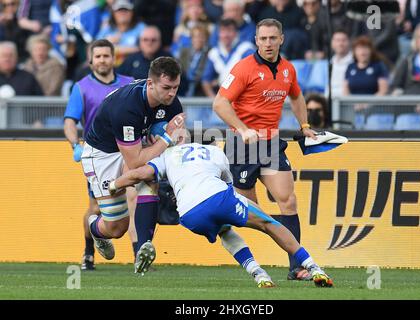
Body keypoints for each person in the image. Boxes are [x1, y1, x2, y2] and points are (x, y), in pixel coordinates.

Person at [107, 138, 333, 288]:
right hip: (217, 197)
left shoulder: (166, 156)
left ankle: (258, 273)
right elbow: (228, 184)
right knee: (269, 224)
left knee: (225, 231)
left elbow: (140, 174)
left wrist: (114, 184)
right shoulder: (215, 151)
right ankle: (313, 267)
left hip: (189, 215)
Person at [212, 18, 318, 281]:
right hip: (241, 145)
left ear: (281, 39)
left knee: (288, 200)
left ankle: (296, 267)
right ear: (256, 41)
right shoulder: (244, 68)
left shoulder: (288, 70)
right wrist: (243, 128)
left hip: (270, 143)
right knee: (248, 212)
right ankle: (226, 227)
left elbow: (296, 96)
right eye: (263, 39)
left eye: (273, 38)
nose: (268, 43)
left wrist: (304, 125)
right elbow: (220, 104)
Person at [80, 56, 185, 273]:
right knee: (116, 228)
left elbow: (178, 135)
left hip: (135, 145)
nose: (172, 93)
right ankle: (94, 228)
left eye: (176, 87)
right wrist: (166, 138)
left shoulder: (170, 101)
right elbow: (135, 160)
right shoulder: (128, 107)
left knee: (148, 176)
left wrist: (177, 138)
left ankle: (142, 251)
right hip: (102, 155)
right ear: (150, 83)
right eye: (166, 87)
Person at [63, 39, 134, 270]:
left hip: (128, 152)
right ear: (91, 60)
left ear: (114, 58)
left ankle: (140, 253)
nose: (103, 60)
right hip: (100, 156)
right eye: (98, 56)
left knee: (137, 199)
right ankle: (88, 251)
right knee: (95, 208)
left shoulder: (129, 84)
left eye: (106, 55)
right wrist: (75, 144)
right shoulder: (81, 87)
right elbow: (70, 122)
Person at [201, 18, 254, 98]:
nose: (226, 35)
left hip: (245, 97)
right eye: (222, 31)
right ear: (218, 34)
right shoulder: (214, 53)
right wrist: (214, 99)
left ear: (236, 33)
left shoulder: (247, 49)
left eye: (229, 31)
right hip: (224, 99)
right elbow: (206, 79)